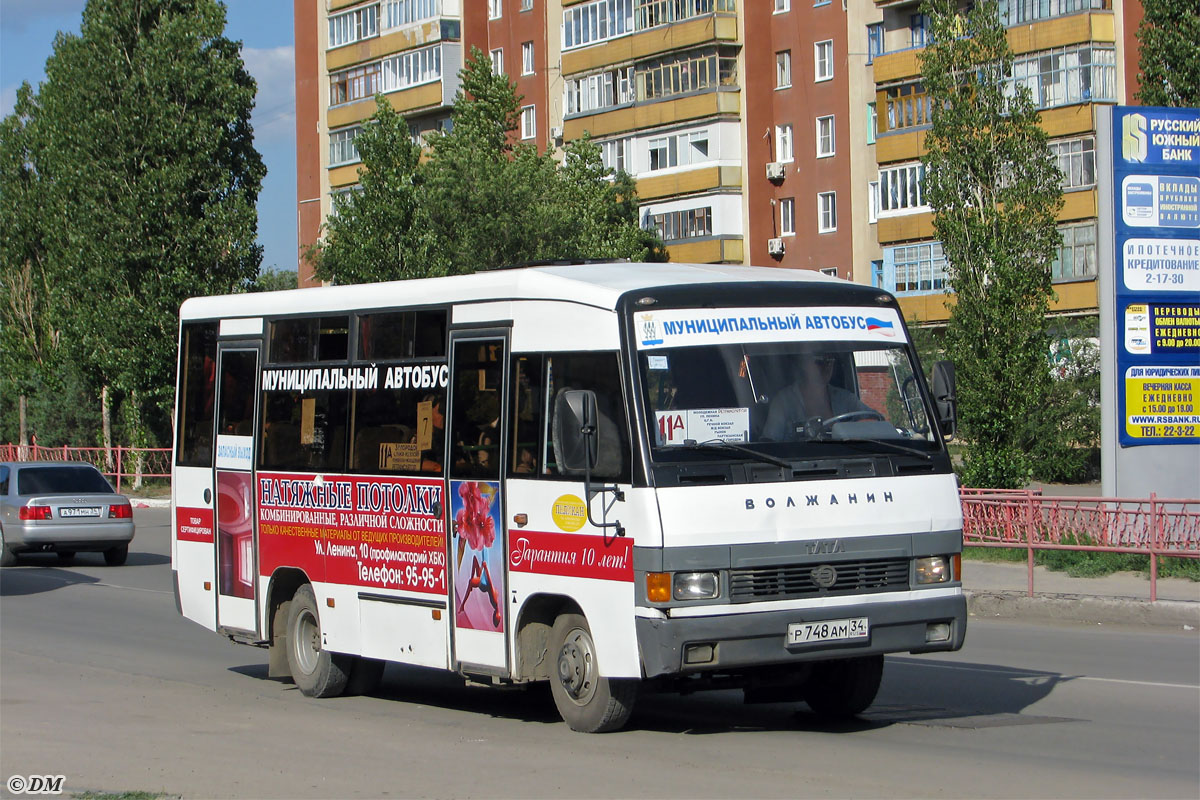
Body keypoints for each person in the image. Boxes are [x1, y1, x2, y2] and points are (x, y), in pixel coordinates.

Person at [762, 352, 874, 441]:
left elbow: (876, 422)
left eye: (830, 361)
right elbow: (770, 443)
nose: (826, 366)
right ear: (804, 364)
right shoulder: (783, 402)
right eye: (819, 361)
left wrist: (856, 431)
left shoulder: (846, 399)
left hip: (846, 463)